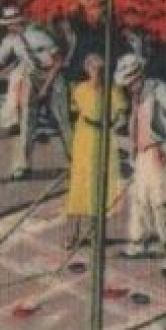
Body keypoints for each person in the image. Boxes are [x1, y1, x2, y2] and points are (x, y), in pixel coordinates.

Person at [0, 7, 74, 180]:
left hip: (52, 76)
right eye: (8, 25)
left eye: (13, 24)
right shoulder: (10, 41)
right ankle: (23, 165)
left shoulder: (38, 35)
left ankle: (76, 161)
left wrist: (46, 88)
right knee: (26, 121)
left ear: (20, 22)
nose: (11, 28)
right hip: (32, 76)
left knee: (62, 120)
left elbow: (58, 62)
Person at [115, 53, 166, 274]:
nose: (129, 87)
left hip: (157, 155)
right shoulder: (136, 95)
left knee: (161, 204)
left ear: (140, 75)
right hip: (141, 156)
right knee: (139, 201)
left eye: (131, 81)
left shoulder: (159, 90)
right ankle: (139, 242)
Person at [65, 53, 126, 244]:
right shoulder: (80, 89)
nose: (97, 74)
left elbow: (122, 114)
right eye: (93, 69)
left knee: (97, 187)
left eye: (100, 70)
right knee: (78, 186)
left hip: (102, 139)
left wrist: (113, 126)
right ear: (87, 70)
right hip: (84, 138)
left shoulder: (113, 90)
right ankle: (72, 234)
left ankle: (93, 234)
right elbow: (75, 112)